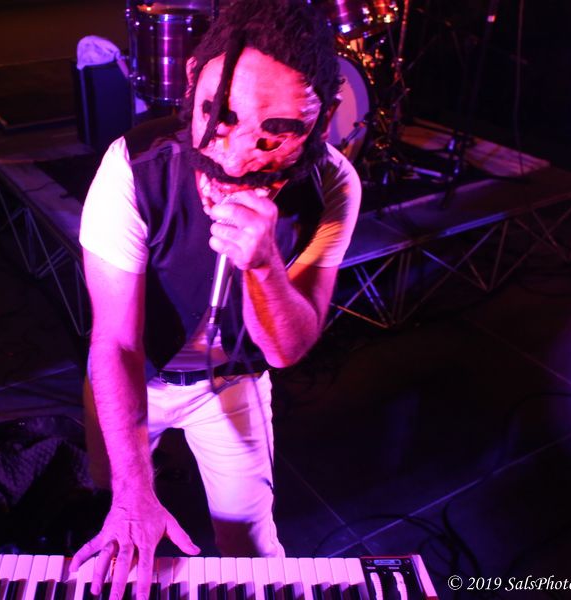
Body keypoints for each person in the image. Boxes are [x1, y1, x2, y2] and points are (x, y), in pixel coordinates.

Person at [72, 0, 361, 598]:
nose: (235, 158)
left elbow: (287, 349)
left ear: (324, 118)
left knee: (252, 548)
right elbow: (116, 341)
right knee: (113, 517)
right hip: (137, 376)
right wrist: (133, 493)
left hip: (231, 383)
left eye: (276, 133)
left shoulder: (333, 184)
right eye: (220, 117)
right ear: (191, 82)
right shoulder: (132, 168)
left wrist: (265, 264)